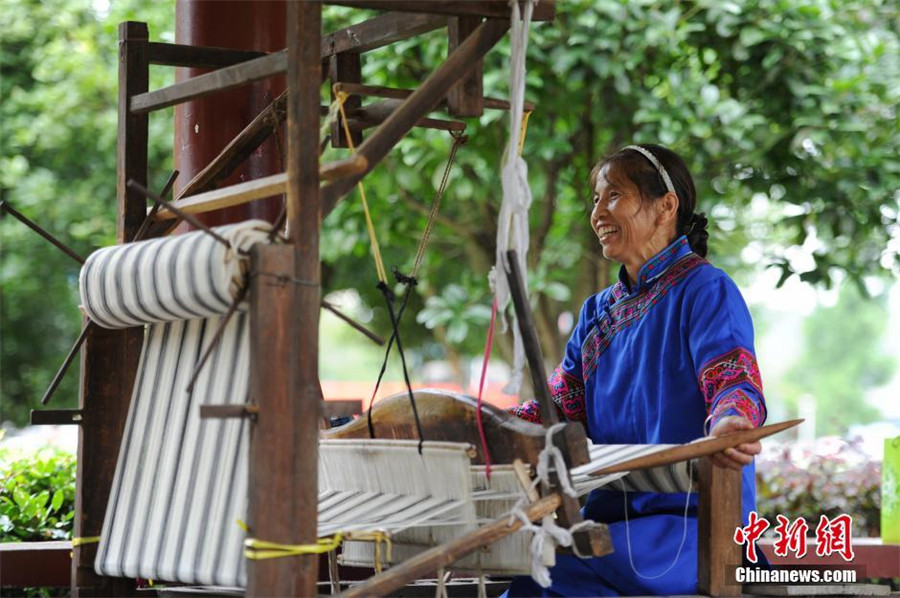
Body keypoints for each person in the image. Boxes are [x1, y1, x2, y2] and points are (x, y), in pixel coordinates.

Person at [505, 144, 767, 597]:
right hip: (612, 520)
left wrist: (731, 422)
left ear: (666, 206)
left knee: (552, 570)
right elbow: (561, 409)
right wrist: (485, 428)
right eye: (595, 200)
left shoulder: (706, 289)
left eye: (613, 196)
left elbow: (732, 380)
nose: (598, 212)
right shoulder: (597, 313)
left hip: (692, 525)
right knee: (531, 571)